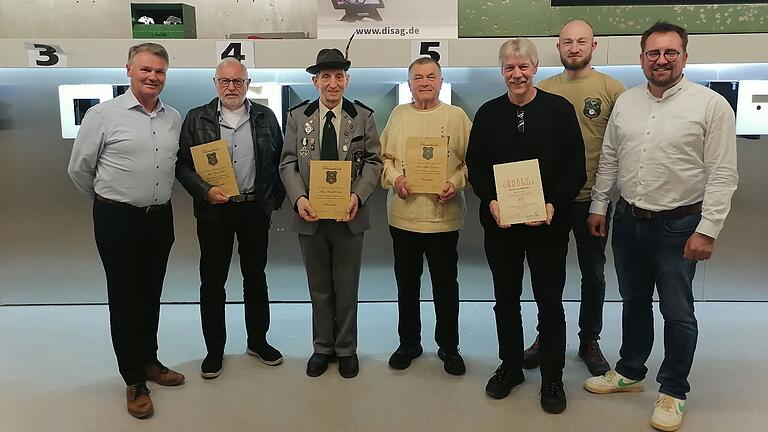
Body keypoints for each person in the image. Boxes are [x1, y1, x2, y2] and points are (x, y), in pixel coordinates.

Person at [583, 22, 738, 432]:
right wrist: (599, 205)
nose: (661, 60)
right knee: (633, 300)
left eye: (670, 52)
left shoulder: (711, 106)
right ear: (642, 58)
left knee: (677, 310)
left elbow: (723, 174)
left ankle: (673, 390)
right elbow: (610, 159)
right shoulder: (627, 103)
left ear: (685, 56)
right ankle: (631, 371)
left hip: (680, 225)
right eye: (653, 53)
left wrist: (708, 229)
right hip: (629, 219)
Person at [466, 37, 586, 414]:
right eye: (509, 68)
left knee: (550, 303)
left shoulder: (559, 110)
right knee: (506, 300)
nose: (517, 74)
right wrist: (493, 200)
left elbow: (575, 169)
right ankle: (511, 365)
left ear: (535, 68)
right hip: (501, 226)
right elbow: (477, 167)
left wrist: (552, 205)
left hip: (548, 226)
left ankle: (552, 374)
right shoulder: (487, 114)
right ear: (502, 71)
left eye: (523, 67)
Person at [67, 42, 184, 419]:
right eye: (146, 70)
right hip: (117, 219)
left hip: (159, 218)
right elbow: (79, 169)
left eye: (160, 72)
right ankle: (134, 380)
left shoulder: (173, 117)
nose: (153, 77)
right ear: (128, 71)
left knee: (151, 292)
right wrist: (108, 202)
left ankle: (149, 360)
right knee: (124, 296)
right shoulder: (102, 115)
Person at [523, 19, 625, 377]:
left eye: (582, 42)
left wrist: (604, 199)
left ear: (594, 46)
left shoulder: (613, 90)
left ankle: (588, 339)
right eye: (567, 42)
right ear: (559, 47)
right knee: (546, 274)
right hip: (547, 201)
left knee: (593, 274)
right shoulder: (542, 89)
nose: (574, 48)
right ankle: (545, 336)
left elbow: (617, 151)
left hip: (591, 202)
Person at [175, 57, 286, 379]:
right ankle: (214, 350)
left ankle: (258, 341)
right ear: (215, 84)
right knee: (212, 282)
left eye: (238, 81)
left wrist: (271, 202)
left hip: (253, 209)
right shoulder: (196, 118)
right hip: (214, 211)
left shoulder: (266, 117)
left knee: (256, 278)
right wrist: (203, 191)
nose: (231, 87)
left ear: (248, 84)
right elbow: (182, 165)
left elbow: (279, 161)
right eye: (225, 81)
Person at [279, 48, 382, 379]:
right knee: (319, 285)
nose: (332, 83)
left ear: (347, 80)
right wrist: (298, 199)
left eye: (339, 76)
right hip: (310, 214)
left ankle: (346, 348)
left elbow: (373, 162)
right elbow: (288, 163)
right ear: (315, 81)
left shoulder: (362, 117)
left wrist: (358, 195)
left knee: (347, 284)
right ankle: (323, 347)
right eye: (326, 77)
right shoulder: (298, 117)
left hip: (349, 215)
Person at [380, 57, 472, 376]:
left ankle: (449, 346)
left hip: (443, 218)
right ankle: (409, 343)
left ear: (441, 80)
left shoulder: (456, 117)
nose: (424, 82)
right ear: (409, 84)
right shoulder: (398, 115)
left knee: (446, 286)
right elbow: (385, 160)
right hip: (404, 218)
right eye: (417, 77)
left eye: (430, 76)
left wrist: (454, 183)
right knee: (407, 285)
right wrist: (396, 179)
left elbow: (470, 163)